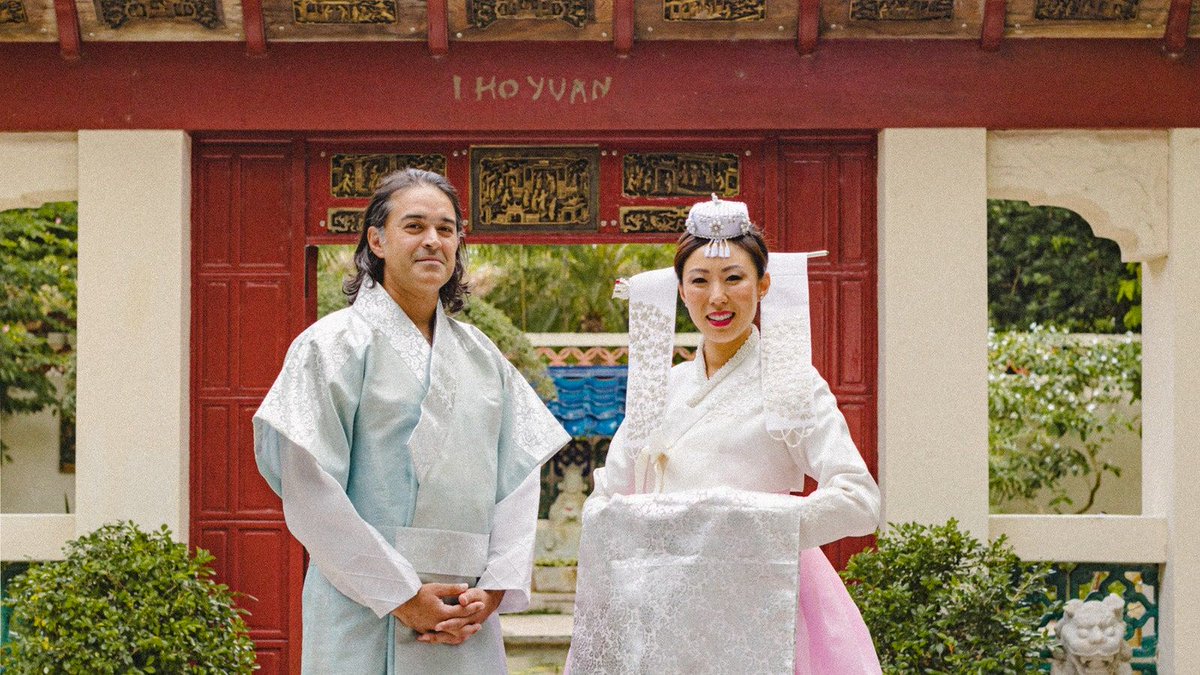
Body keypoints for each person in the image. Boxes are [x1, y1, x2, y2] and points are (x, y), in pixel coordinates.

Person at [253, 169, 570, 674]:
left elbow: (519, 475)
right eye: (415, 226)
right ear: (376, 240)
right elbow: (308, 487)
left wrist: (494, 587)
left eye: (446, 229)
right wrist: (402, 595)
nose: (432, 241)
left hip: (465, 610)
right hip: (365, 603)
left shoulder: (482, 354)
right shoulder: (330, 346)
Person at [568, 195, 883, 673]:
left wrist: (743, 525)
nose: (717, 296)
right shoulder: (659, 387)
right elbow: (609, 500)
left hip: (762, 608)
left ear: (763, 285)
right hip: (663, 616)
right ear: (681, 291)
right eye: (700, 280)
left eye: (734, 278)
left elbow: (859, 499)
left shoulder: (791, 384)